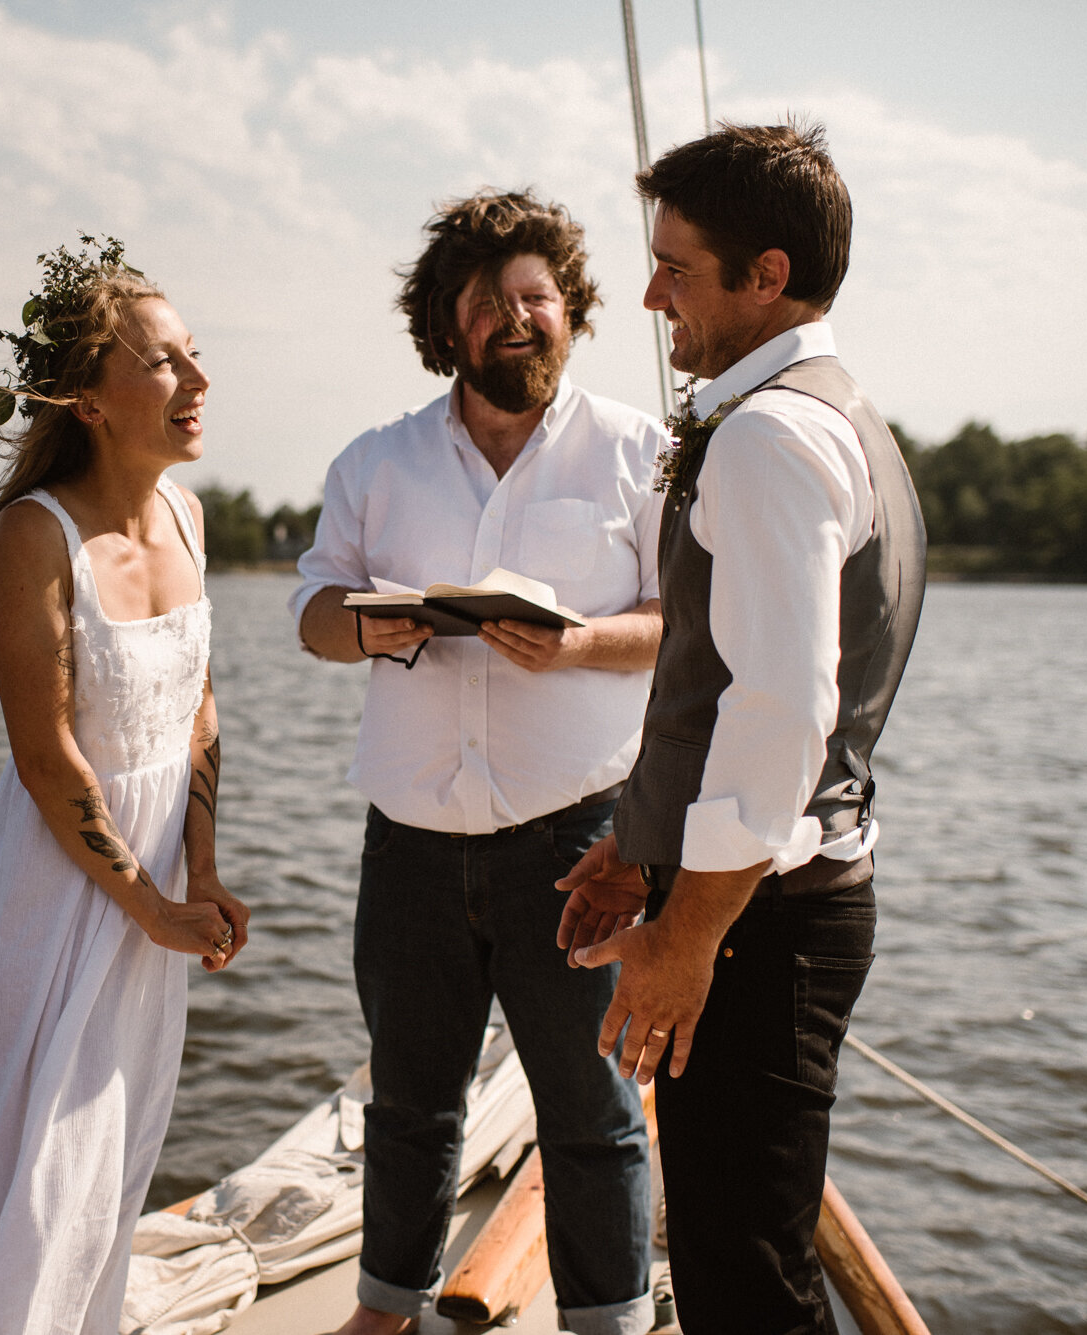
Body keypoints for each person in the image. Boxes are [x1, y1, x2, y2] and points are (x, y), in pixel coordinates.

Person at [557, 122, 926, 1335]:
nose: (650, 293)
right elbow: (715, 682)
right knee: (734, 1252)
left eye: (674, 266)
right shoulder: (835, 414)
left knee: (743, 1279)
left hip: (763, 921)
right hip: (764, 899)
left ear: (765, 276)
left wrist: (687, 934)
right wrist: (636, 845)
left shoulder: (768, 435)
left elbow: (781, 709)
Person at [291, 190, 668, 1335]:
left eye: (535, 298)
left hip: (575, 840)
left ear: (568, 313)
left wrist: (581, 645)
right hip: (407, 840)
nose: (517, 319)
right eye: (488, 303)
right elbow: (311, 609)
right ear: (445, 326)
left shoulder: (638, 453)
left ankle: (604, 1323)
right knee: (406, 1100)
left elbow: (688, 627)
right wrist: (365, 626)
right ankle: (384, 1309)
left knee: (590, 1107)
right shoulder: (376, 461)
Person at [0, 239, 249, 1335]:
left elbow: (199, 708)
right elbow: (47, 760)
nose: (195, 382)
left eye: (195, 357)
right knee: (30, 1175)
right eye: (164, 363)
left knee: (105, 1167)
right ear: (87, 398)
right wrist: (150, 904)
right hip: (49, 904)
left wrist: (206, 874)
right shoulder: (31, 539)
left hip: (154, 900)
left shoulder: (187, 519)